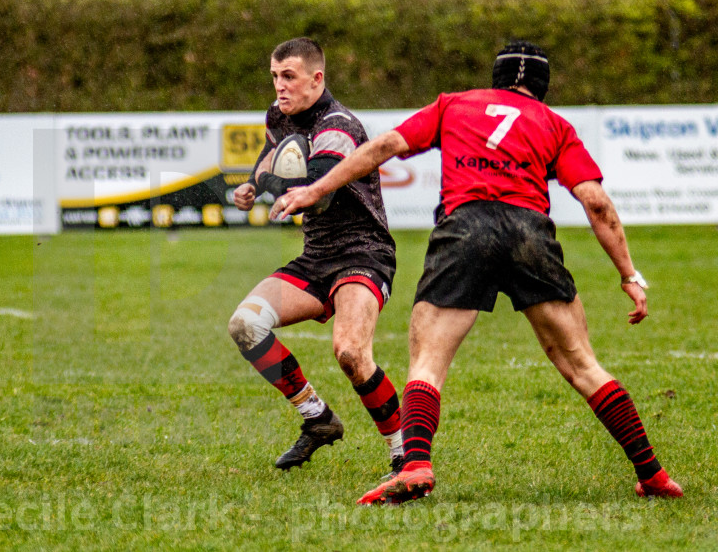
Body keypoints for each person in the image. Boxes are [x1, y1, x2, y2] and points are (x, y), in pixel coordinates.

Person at [272, 40, 682, 504]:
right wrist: (629, 275)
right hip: (530, 235)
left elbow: (384, 147)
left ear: (495, 78)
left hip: (464, 232)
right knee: (582, 365)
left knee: (428, 362)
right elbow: (596, 203)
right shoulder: (555, 125)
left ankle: (417, 466)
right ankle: (654, 475)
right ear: (542, 88)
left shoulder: (455, 104)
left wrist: (314, 189)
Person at [228, 38, 404, 475]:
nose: (279, 87)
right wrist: (253, 182)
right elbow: (276, 152)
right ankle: (318, 419)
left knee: (350, 353)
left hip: (363, 253)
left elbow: (318, 183)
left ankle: (406, 455)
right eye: (274, 76)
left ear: (316, 79)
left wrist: (274, 183)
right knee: (245, 325)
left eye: (288, 76)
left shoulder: (338, 124)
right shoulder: (278, 114)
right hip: (317, 256)